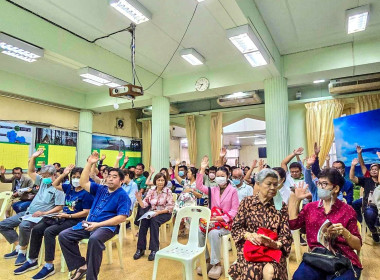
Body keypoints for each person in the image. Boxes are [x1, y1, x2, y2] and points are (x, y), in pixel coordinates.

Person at [58, 152, 131, 280]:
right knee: (64, 235)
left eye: (114, 177)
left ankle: (91, 277)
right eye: (109, 176)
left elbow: (122, 218)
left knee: (94, 239)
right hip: (89, 223)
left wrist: (98, 224)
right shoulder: (101, 189)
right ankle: (81, 265)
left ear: (121, 180)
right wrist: (89, 163)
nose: (110, 179)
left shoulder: (123, 196)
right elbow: (83, 181)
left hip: (107, 227)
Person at [14, 165, 93, 279]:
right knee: (37, 229)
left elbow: (86, 212)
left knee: (49, 232)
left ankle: (49, 265)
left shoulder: (86, 193)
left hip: (75, 220)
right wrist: (64, 174)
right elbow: (55, 184)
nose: (76, 179)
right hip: (62, 216)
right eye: (74, 177)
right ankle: (32, 260)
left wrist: (69, 215)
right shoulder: (70, 188)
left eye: (79, 177)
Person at [290, 168, 362, 280]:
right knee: (299, 277)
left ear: (336, 188)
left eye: (324, 184)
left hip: (342, 258)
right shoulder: (310, 208)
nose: (320, 187)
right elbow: (293, 225)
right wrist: (297, 200)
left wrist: (344, 232)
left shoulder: (348, 211)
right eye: (319, 183)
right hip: (317, 257)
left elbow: (357, 245)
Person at [0, 149, 65, 266]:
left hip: (42, 217)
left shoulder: (59, 189)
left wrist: (43, 213)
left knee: (24, 226)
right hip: (28, 213)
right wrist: (33, 157)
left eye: (46, 176)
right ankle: (19, 246)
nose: (43, 178)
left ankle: (23, 252)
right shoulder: (44, 182)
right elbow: (30, 171)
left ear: (54, 175)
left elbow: (59, 207)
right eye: (42, 176)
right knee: (3, 224)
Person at [229, 169, 292, 280]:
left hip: (272, 250)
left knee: (271, 272)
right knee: (252, 271)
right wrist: (248, 235)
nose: (273, 188)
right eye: (268, 184)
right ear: (258, 184)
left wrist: (277, 244)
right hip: (251, 249)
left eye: (275, 184)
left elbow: (285, 234)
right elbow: (236, 228)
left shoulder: (280, 206)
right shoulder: (247, 202)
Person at [196, 156, 239, 280]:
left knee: (214, 233)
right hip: (213, 222)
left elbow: (234, 211)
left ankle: (217, 263)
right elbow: (199, 186)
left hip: (226, 223)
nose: (219, 177)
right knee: (199, 231)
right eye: (218, 175)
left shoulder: (232, 191)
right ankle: (207, 260)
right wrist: (202, 169)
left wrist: (220, 218)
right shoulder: (213, 189)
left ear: (227, 176)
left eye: (222, 175)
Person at [133, 173, 174, 261]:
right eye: (158, 180)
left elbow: (170, 207)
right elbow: (144, 204)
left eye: (162, 180)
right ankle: (140, 249)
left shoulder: (168, 191)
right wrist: (139, 199)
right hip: (152, 212)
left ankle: (154, 249)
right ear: (155, 181)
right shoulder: (151, 191)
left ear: (165, 181)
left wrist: (159, 212)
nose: (160, 182)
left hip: (164, 213)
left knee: (154, 221)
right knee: (143, 221)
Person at [350, 158, 380, 242]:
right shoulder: (366, 180)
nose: (374, 171)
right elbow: (352, 178)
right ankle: (373, 230)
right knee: (368, 213)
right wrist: (353, 166)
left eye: (376, 169)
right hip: (371, 206)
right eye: (372, 169)